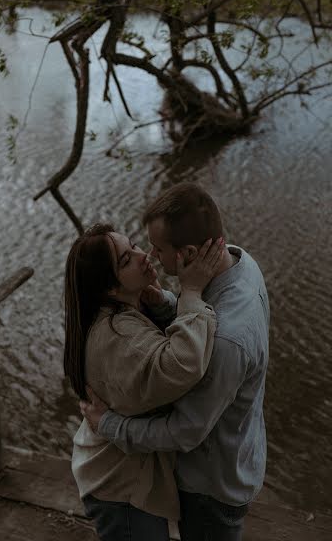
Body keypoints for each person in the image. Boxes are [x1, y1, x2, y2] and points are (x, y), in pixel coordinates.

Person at [81, 183, 270, 541]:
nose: (150, 255)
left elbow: (185, 431)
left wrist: (108, 425)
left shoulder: (227, 339)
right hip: (241, 451)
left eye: (158, 248)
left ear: (189, 254)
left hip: (211, 485)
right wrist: (169, 303)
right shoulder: (241, 263)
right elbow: (203, 319)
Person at [64, 222, 224, 541]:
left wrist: (162, 304)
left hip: (119, 473)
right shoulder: (117, 337)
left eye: (134, 246)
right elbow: (182, 364)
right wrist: (191, 293)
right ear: (109, 288)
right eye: (126, 260)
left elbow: (157, 348)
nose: (142, 255)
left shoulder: (116, 314)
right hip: (120, 489)